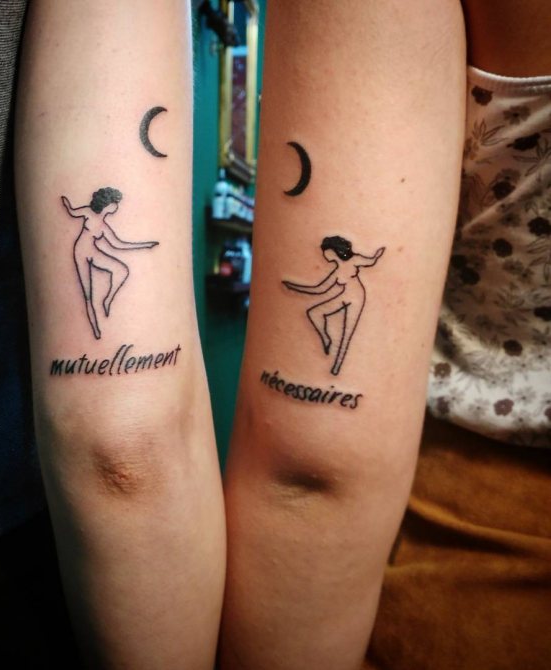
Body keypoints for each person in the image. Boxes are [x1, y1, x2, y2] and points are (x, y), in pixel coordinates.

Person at [0, 1, 226, 668]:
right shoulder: (94, 219)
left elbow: (115, 238)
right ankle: (98, 316)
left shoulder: (102, 219)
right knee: (103, 288)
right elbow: (124, 446)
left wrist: (139, 244)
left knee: (112, 282)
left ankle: (100, 313)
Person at [218, 1, 551, 669]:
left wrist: (312, 294)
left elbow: (308, 474)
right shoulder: (345, 266)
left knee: (331, 330)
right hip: (458, 535)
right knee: (328, 328)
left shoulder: (349, 269)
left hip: (459, 540)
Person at [62, 188, 158, 339]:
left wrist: (145, 245)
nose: (116, 206)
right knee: (87, 295)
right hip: (80, 252)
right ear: (106, 204)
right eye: (114, 203)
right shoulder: (88, 212)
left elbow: (119, 245)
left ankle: (107, 299)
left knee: (122, 270)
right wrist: (66, 204)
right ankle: (95, 329)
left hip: (93, 251)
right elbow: (73, 212)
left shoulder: (104, 227)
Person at [283, 236, 385, 375]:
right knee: (314, 313)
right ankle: (326, 338)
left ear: (334, 251)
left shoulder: (354, 260)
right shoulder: (336, 272)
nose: (324, 254)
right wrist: (294, 287)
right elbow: (319, 289)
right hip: (344, 295)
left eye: (326, 251)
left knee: (347, 334)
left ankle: (337, 367)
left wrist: (377, 255)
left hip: (356, 296)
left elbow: (370, 261)